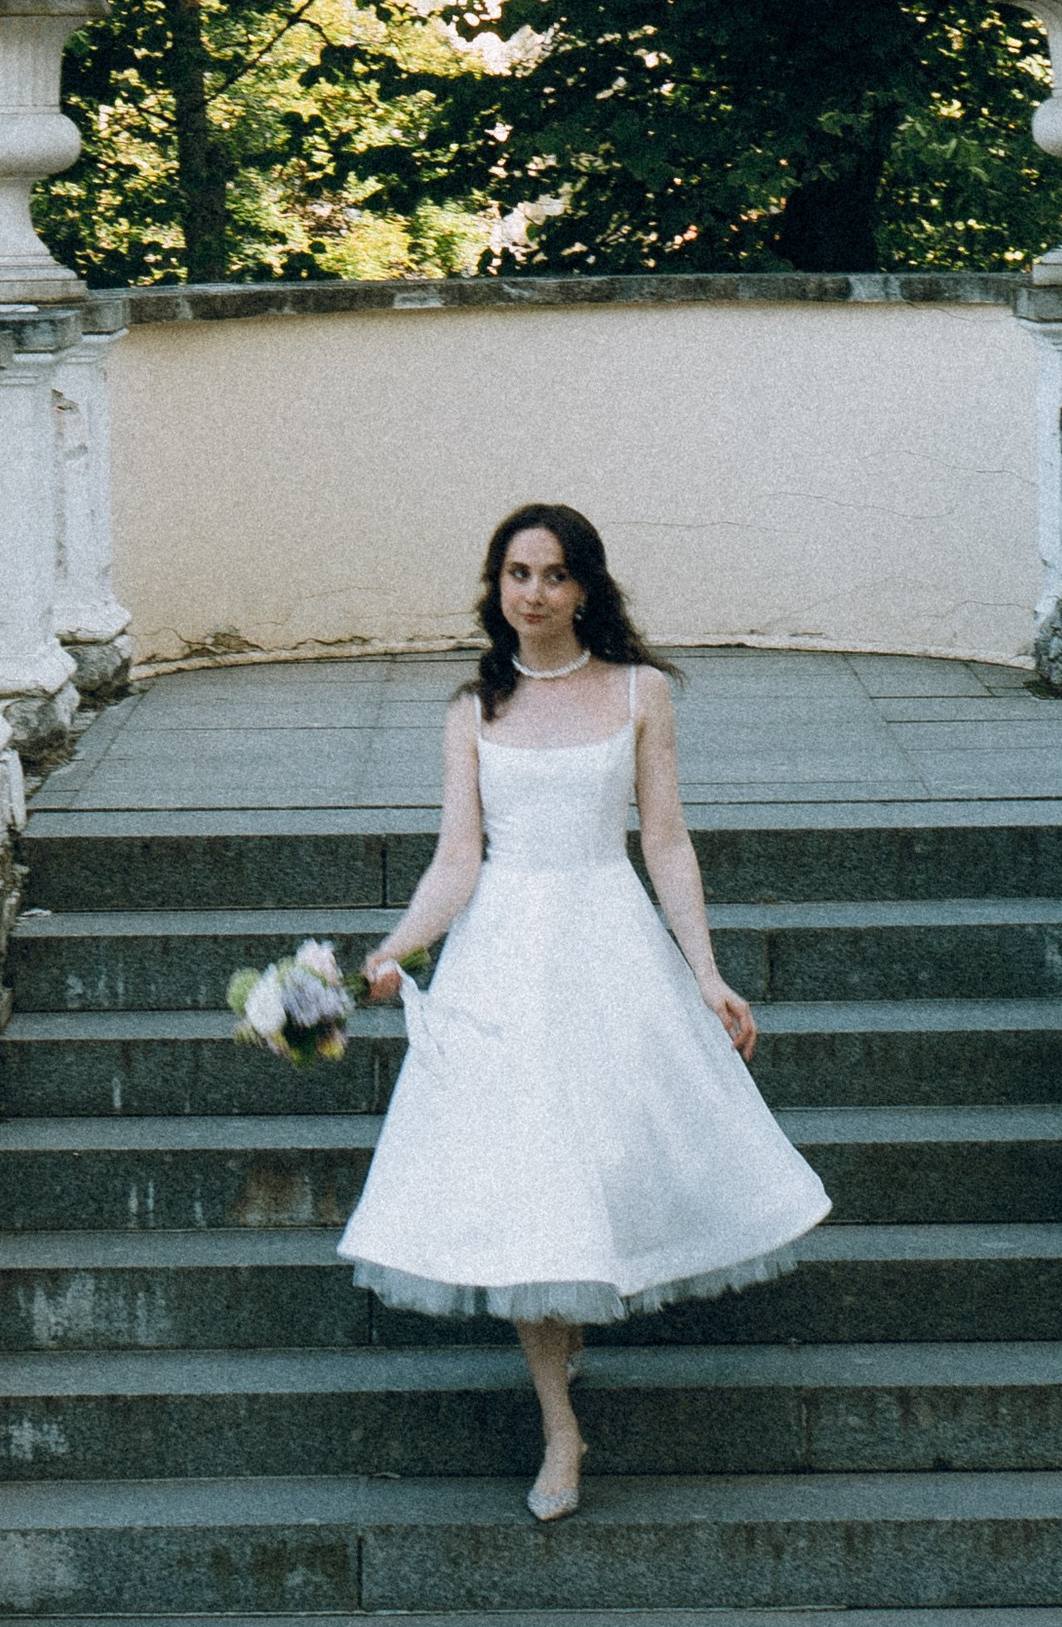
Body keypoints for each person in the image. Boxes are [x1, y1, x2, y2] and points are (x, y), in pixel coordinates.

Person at [337, 504, 831, 1522]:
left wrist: (705, 973)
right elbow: (458, 859)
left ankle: (570, 1339)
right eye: (518, 573)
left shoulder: (641, 692)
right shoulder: (473, 710)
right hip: (506, 961)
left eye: (555, 574)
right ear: (497, 587)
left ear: (584, 588)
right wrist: (393, 953)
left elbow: (666, 841)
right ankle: (560, 1425)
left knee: (592, 1163)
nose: (535, 592)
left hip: (609, 945)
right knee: (532, 1180)